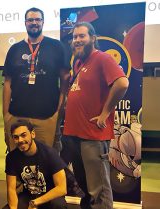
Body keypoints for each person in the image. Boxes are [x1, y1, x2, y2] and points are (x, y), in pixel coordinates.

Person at [62, 22, 129, 209]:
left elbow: (122, 83)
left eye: (82, 36)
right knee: (85, 188)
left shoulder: (102, 58)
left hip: (93, 135)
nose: (77, 40)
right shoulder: (78, 63)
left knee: (99, 189)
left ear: (93, 38)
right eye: (75, 37)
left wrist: (105, 113)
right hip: (75, 134)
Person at [3, 7, 70, 151]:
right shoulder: (14, 49)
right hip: (17, 117)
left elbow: (65, 80)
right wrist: (6, 115)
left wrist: (58, 112)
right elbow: (7, 83)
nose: (34, 23)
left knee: (47, 164)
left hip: (47, 117)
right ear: (25, 23)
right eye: (30, 20)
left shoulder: (56, 46)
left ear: (43, 22)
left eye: (38, 19)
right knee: (18, 164)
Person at [4, 120, 67, 209]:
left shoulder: (50, 153)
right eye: (16, 137)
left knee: (58, 205)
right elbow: (11, 189)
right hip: (28, 195)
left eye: (23, 135)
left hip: (50, 196)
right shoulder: (11, 157)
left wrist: (35, 202)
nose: (20, 140)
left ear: (32, 134)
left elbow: (61, 188)